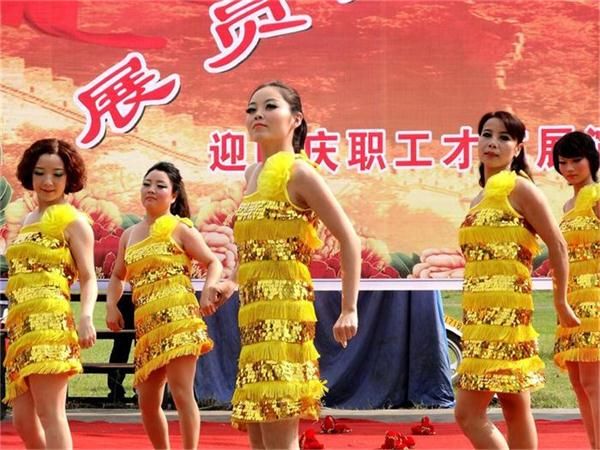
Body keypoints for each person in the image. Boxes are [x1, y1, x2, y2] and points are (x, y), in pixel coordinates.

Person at [219, 81, 361, 450]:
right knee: (258, 435)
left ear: (295, 119)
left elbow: (349, 239)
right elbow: (254, 246)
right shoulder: (252, 175)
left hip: (285, 318)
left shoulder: (300, 173)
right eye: (251, 109)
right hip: (253, 319)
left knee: (280, 436)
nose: (258, 115)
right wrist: (229, 281)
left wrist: (348, 308)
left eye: (270, 107)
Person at [454, 111, 580, 449]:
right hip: (478, 317)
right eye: (486, 134)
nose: (493, 143)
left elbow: (558, 245)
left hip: (505, 319)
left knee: (468, 414)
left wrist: (561, 301)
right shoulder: (479, 197)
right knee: (514, 406)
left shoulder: (520, 188)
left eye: (504, 137)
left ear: (518, 147)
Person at [106, 161, 223, 450]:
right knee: (147, 402)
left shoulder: (180, 229)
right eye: (147, 184)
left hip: (179, 322)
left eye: (160, 186)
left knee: (182, 394)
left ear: (173, 195)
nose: (151, 190)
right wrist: (111, 305)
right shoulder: (129, 235)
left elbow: (213, 262)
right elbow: (118, 276)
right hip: (147, 328)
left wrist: (209, 290)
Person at [3, 138, 97, 449]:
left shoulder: (74, 221)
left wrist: (86, 317)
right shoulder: (28, 220)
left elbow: (88, 277)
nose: (47, 182)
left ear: (69, 178)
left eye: (57, 174)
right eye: (40, 173)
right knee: (22, 421)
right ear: (29, 174)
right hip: (21, 329)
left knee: (50, 414)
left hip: (51, 326)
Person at [553, 131, 600, 449]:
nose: (569, 168)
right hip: (571, 302)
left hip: (595, 299)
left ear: (591, 160)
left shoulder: (597, 198)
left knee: (594, 384)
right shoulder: (568, 205)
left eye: (576, 160)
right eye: (563, 162)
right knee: (580, 384)